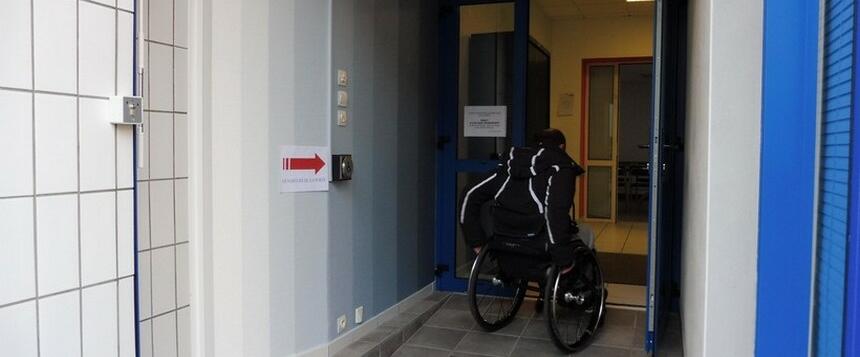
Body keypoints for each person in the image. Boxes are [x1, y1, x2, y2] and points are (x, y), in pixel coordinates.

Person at [459, 128, 586, 270]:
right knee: (586, 235)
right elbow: (555, 214)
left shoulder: (508, 168)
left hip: (504, 241)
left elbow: (469, 194)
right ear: (561, 147)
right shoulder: (561, 170)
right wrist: (563, 259)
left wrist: (475, 241)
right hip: (539, 242)